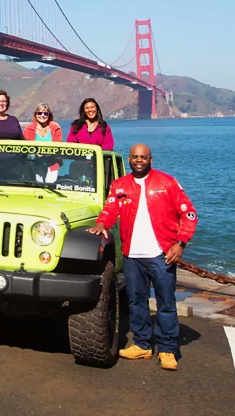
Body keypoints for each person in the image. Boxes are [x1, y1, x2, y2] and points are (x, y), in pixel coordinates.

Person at [88, 144, 197, 371]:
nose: (139, 160)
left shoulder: (167, 183)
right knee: (137, 301)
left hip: (161, 255)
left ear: (150, 159)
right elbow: (110, 210)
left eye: (143, 157)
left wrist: (180, 243)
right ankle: (142, 344)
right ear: (129, 159)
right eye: (135, 157)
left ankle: (168, 349)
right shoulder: (120, 185)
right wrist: (101, 224)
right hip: (132, 256)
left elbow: (189, 214)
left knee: (166, 304)